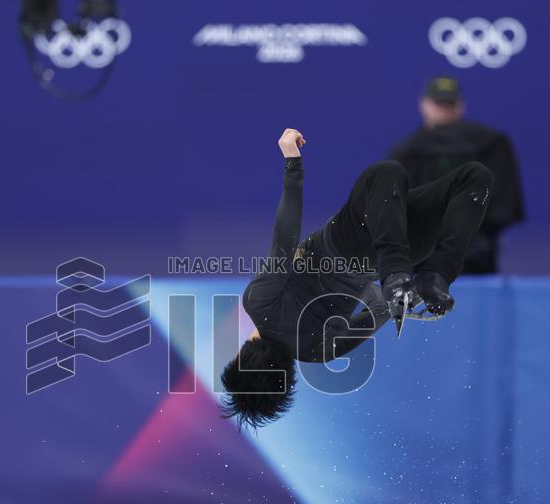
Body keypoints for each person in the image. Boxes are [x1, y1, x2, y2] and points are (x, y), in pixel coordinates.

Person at [219, 128, 493, 428]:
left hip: (403, 248)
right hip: (356, 237)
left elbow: (383, 309)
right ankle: (410, 271)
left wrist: (376, 286)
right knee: (386, 173)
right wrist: (292, 163)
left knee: (474, 179)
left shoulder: (316, 352)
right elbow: (286, 238)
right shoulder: (259, 305)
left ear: (288, 378)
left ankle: (437, 274)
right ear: (241, 355)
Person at [388, 76, 524, 274]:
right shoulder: (406, 153)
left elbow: (503, 205)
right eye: (439, 104)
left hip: (474, 258)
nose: (444, 110)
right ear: (423, 105)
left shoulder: (491, 145)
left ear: (460, 106)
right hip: (424, 262)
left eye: (448, 104)